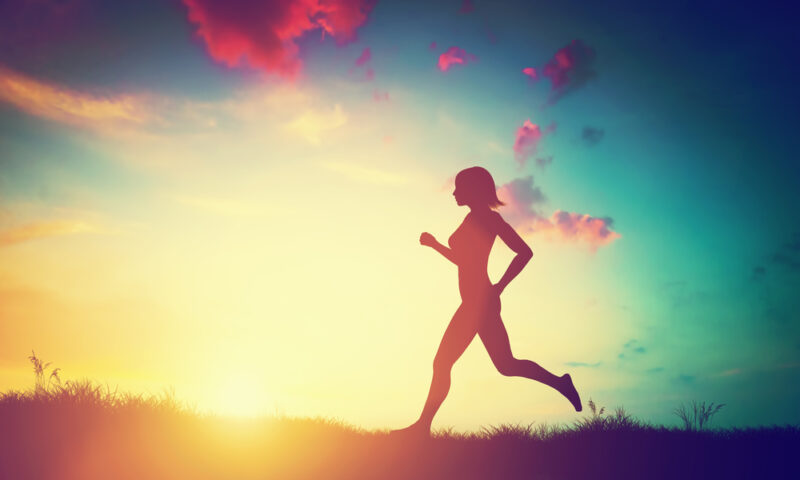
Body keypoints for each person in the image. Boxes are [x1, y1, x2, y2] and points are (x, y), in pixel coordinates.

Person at [393, 166, 582, 436]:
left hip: (478, 304)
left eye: (460, 187)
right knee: (505, 365)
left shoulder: (489, 220)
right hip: (475, 303)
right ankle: (561, 383)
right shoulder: (472, 218)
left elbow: (524, 252)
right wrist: (435, 245)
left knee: (443, 362)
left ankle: (422, 427)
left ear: (474, 190)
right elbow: (465, 261)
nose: (455, 192)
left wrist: (499, 287)